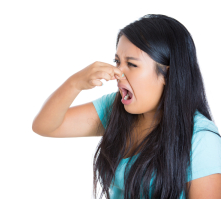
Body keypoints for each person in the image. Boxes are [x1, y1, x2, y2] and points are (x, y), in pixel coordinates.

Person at [32, 14, 221, 199]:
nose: (117, 73)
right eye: (117, 62)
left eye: (131, 64)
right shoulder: (115, 108)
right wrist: (75, 83)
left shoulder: (201, 140)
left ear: (167, 75)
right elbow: (45, 126)